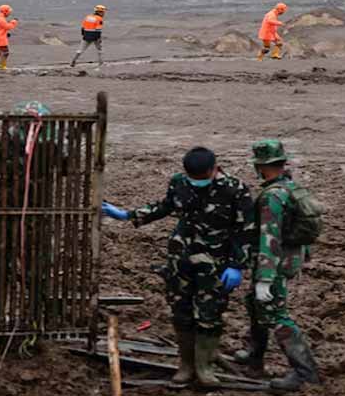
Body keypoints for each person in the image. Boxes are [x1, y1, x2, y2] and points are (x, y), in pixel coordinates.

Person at [102, 147, 253, 386]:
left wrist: (237, 265)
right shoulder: (179, 183)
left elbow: (245, 231)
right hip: (180, 259)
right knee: (180, 311)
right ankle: (185, 365)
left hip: (215, 263)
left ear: (215, 169)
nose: (197, 183)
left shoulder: (236, 190)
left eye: (202, 178)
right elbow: (166, 206)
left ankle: (205, 367)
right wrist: (128, 215)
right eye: (193, 178)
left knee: (210, 313)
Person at [233, 139, 321, 392]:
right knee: (255, 303)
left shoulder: (271, 196)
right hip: (290, 256)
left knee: (275, 313)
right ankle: (254, 355)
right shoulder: (289, 186)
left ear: (260, 166)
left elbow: (268, 238)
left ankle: (305, 372)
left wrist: (265, 278)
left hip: (276, 261)